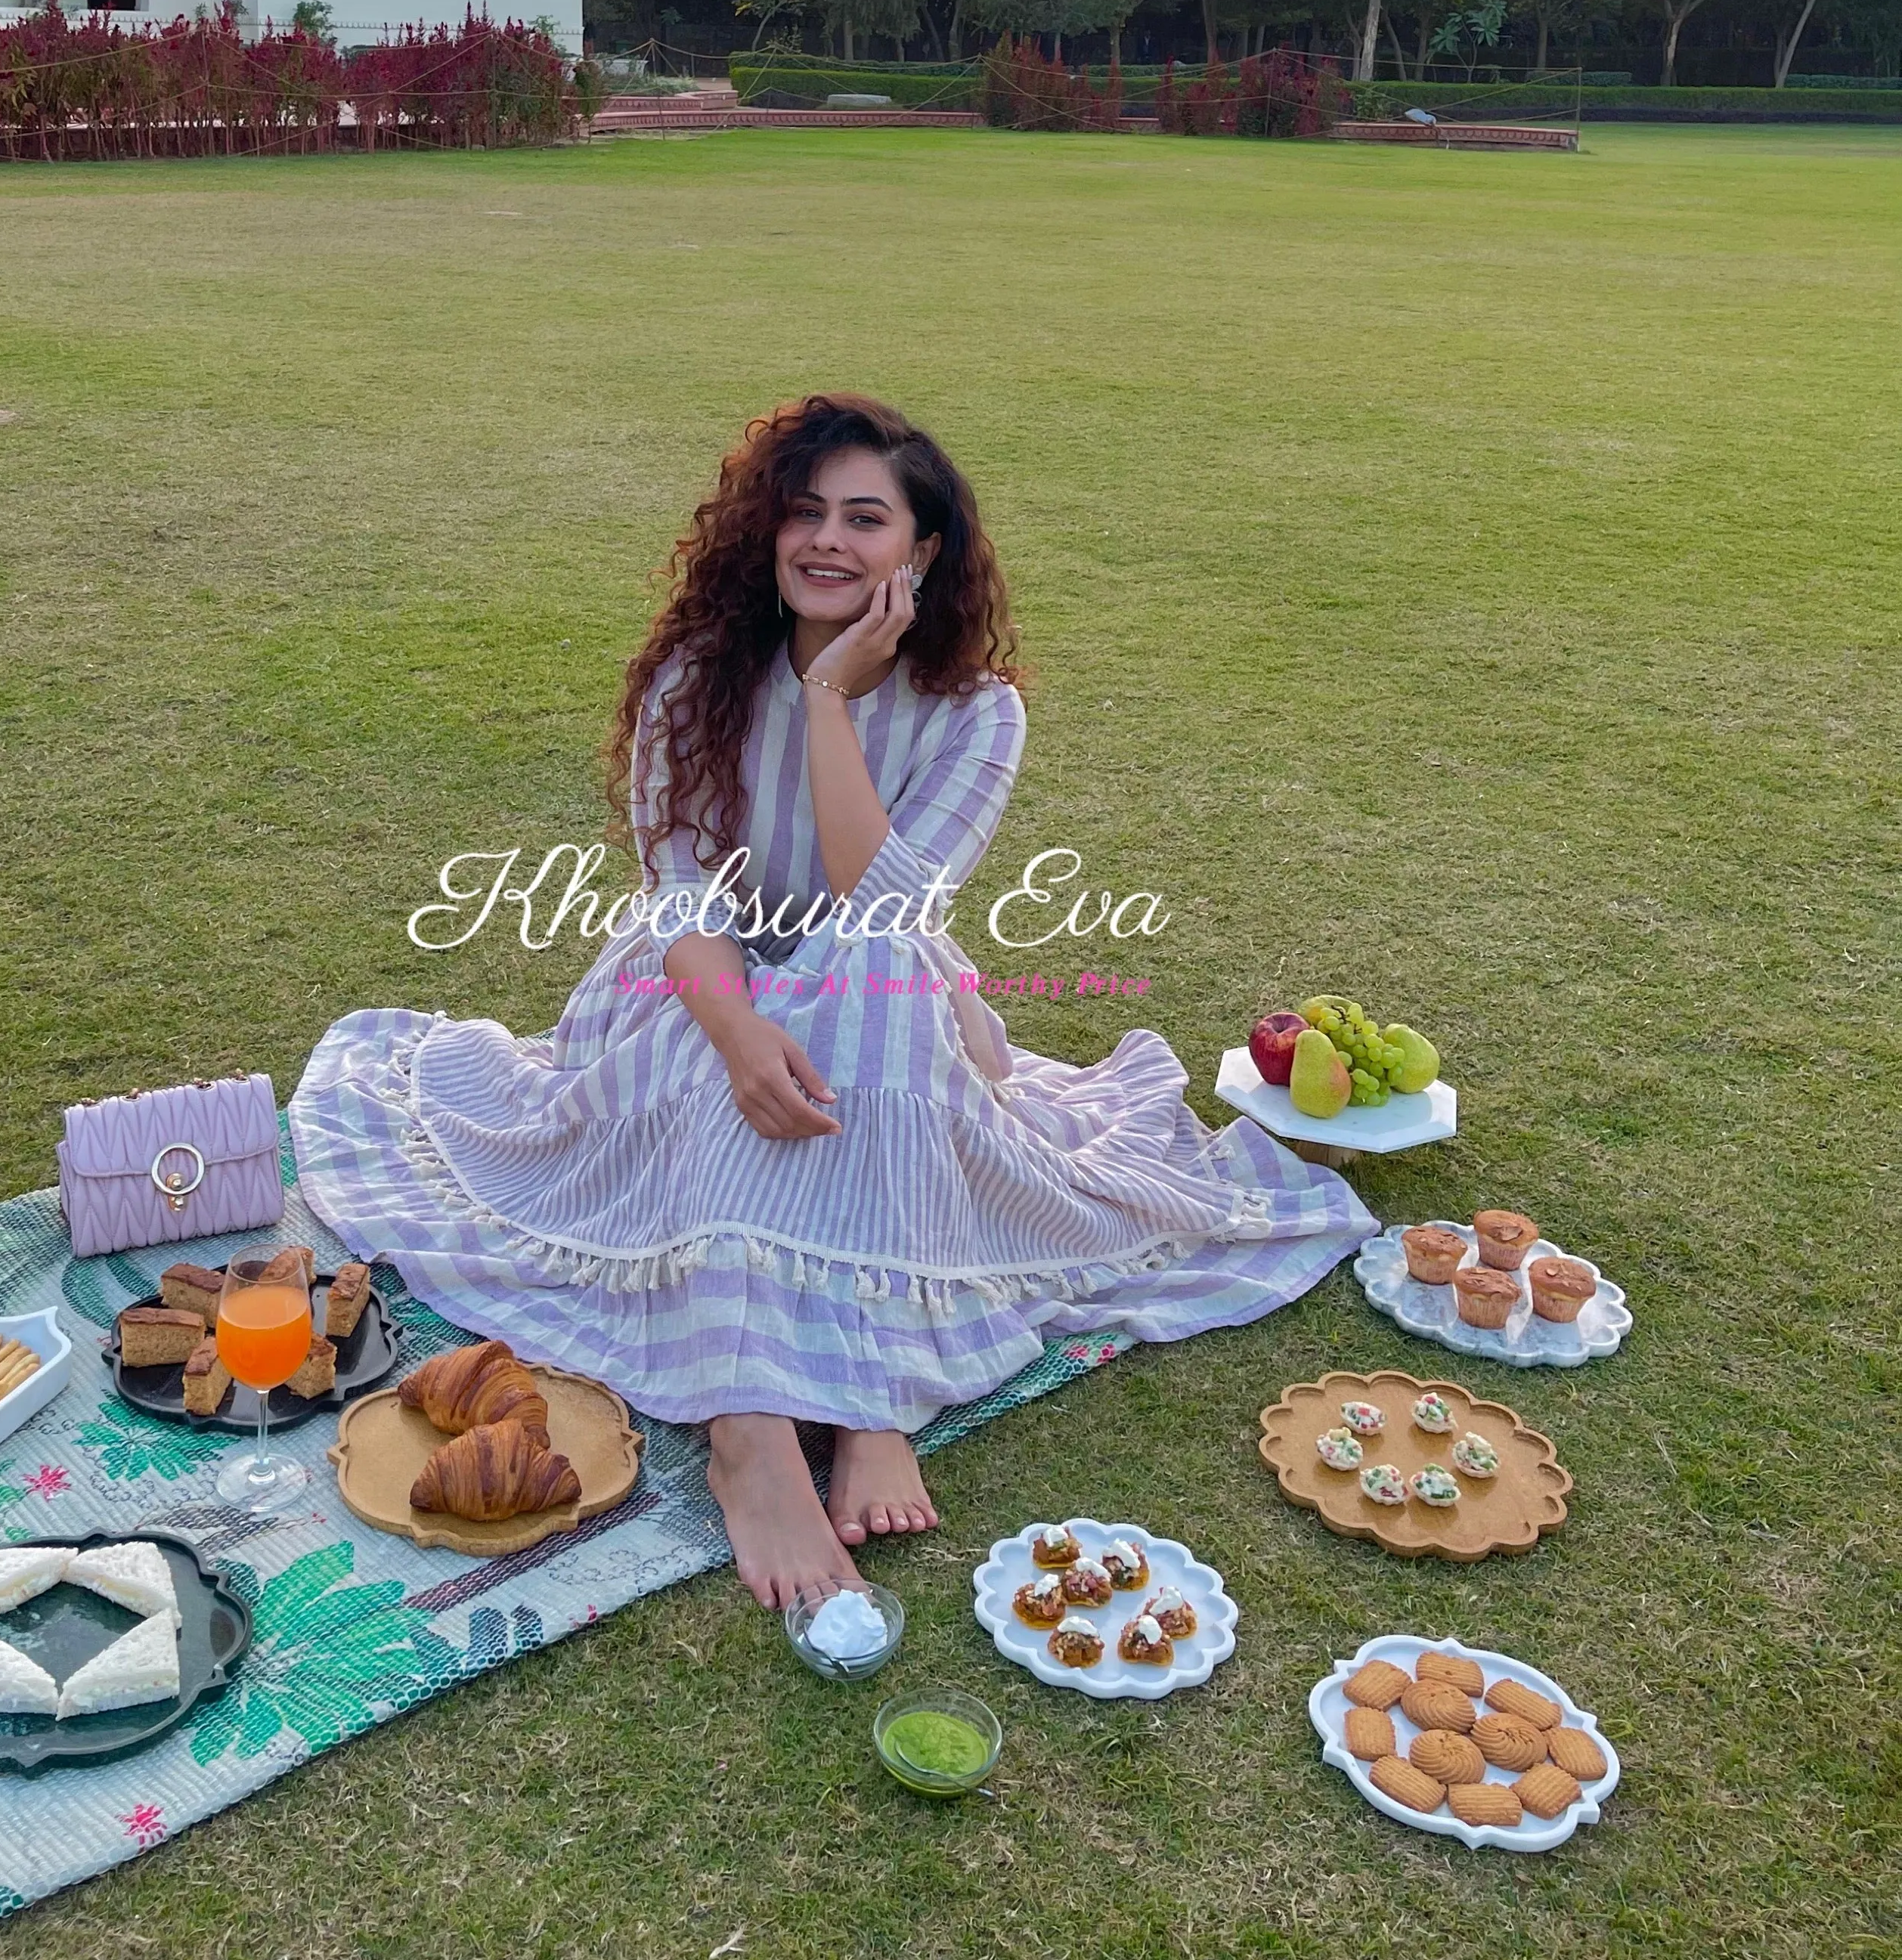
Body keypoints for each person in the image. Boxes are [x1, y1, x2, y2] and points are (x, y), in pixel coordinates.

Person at [292, 394, 1374, 1609]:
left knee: (871, 989)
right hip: (694, 983)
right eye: (803, 510)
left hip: (886, 991)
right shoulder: (699, 675)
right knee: (747, 1055)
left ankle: (869, 1391)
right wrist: (741, 1025)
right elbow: (682, 895)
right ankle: (754, 1430)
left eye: (867, 518)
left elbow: (886, 907)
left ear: (921, 553)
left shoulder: (977, 712)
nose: (826, 539)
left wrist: (828, 705)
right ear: (763, 529)